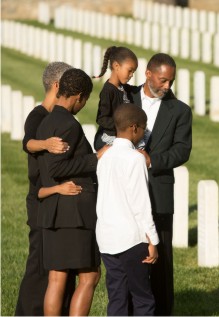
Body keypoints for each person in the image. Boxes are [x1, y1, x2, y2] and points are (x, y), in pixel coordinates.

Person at [36, 67, 108, 316]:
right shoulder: (68, 124)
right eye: (85, 99)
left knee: (57, 277)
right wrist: (94, 159)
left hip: (55, 211)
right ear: (79, 96)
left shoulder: (47, 120)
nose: (84, 104)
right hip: (74, 213)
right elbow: (57, 168)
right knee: (90, 276)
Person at [15, 62, 81, 316]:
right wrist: (46, 143)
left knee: (59, 266)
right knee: (40, 268)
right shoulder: (39, 116)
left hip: (59, 198)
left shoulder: (60, 118)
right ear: (57, 86)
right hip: (41, 200)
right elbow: (28, 143)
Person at [131, 53, 193, 315]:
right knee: (128, 259)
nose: (168, 86)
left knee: (161, 262)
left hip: (158, 191)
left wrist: (152, 160)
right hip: (125, 191)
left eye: (171, 81)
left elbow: (182, 150)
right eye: (163, 80)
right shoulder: (126, 97)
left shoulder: (179, 110)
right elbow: (103, 136)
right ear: (148, 74)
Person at [96, 103, 159, 316]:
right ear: (134, 128)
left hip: (107, 237)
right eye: (143, 128)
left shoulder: (104, 158)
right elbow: (141, 204)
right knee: (142, 298)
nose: (143, 133)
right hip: (131, 239)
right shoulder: (135, 159)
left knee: (117, 296)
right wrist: (153, 240)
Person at [93, 46, 138, 151]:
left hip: (123, 135)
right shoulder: (108, 91)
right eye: (130, 71)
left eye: (133, 72)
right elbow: (101, 118)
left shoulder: (123, 87)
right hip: (111, 136)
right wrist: (123, 127)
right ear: (116, 66)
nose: (131, 75)